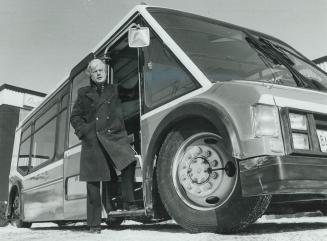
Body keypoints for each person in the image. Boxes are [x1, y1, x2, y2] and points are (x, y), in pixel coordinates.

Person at [70, 58, 136, 233]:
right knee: (93, 184)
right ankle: (94, 224)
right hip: (93, 140)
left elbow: (133, 92)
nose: (99, 73)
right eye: (95, 71)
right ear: (90, 75)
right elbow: (74, 116)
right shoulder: (83, 92)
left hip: (113, 137)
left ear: (106, 73)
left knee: (129, 161)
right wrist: (85, 132)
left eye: (102, 70)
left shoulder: (114, 89)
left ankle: (128, 203)